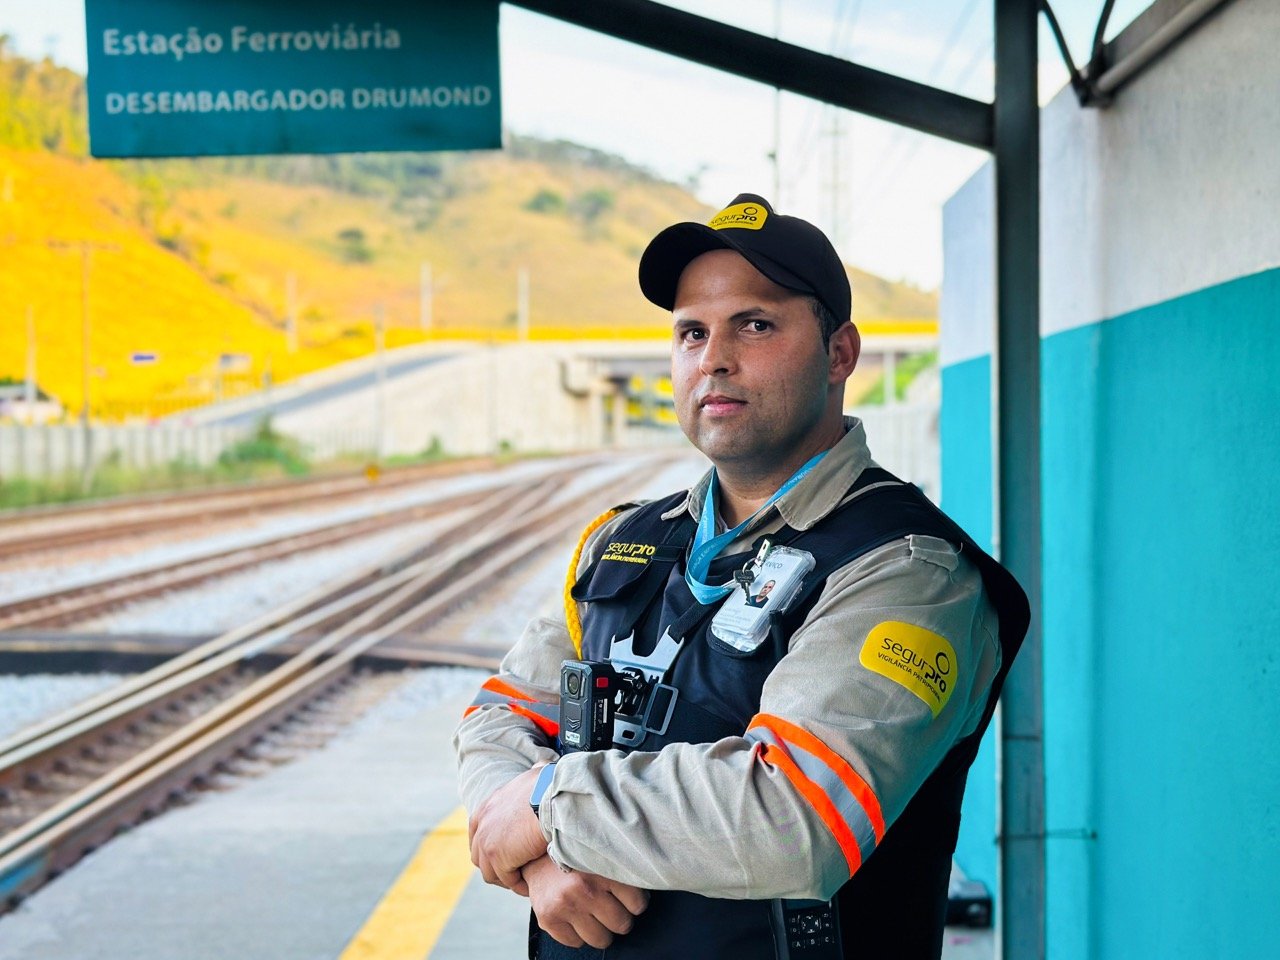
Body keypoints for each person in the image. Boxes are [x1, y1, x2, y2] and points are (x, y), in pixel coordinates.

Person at [456, 194, 1028, 960]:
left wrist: (545, 808)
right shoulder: (619, 541)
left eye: (754, 325)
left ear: (839, 354)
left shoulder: (908, 571)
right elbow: (499, 714)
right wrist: (540, 858)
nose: (713, 359)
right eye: (692, 332)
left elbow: (794, 819)